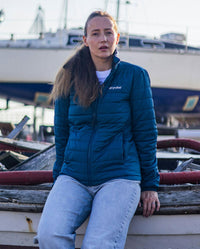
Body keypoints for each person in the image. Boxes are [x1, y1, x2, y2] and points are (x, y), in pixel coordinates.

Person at [37, 10, 160, 249]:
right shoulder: (69, 76)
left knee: (99, 245)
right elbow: (62, 133)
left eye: (108, 33)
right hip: (73, 176)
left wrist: (150, 185)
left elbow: (146, 133)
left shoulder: (135, 76)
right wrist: (58, 179)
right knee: (49, 235)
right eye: (95, 34)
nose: (103, 39)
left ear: (117, 37)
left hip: (120, 177)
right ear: (85, 40)